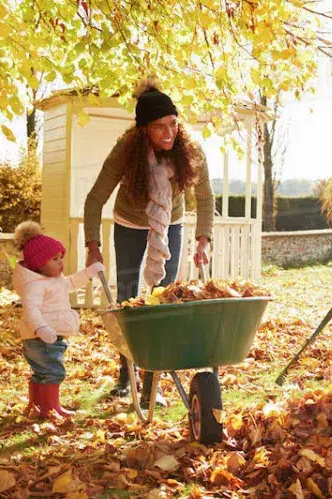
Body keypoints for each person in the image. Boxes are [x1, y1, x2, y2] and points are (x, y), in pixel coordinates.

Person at [84, 78, 214, 408]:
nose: (169, 133)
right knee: (128, 296)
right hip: (130, 223)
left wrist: (203, 239)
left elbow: (204, 196)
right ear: (144, 130)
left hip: (169, 223)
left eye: (173, 124)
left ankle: (152, 379)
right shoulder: (125, 153)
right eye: (160, 128)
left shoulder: (190, 149)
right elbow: (94, 199)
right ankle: (127, 377)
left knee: (164, 298)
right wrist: (92, 246)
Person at [13, 221, 105, 419]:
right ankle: (51, 408)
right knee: (53, 372)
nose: (61, 263)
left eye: (60, 257)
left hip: (48, 335)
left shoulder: (54, 278)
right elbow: (31, 310)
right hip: (42, 338)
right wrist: (41, 328)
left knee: (42, 372)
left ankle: (36, 405)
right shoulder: (35, 285)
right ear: (39, 264)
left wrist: (89, 273)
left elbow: (71, 283)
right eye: (54, 259)